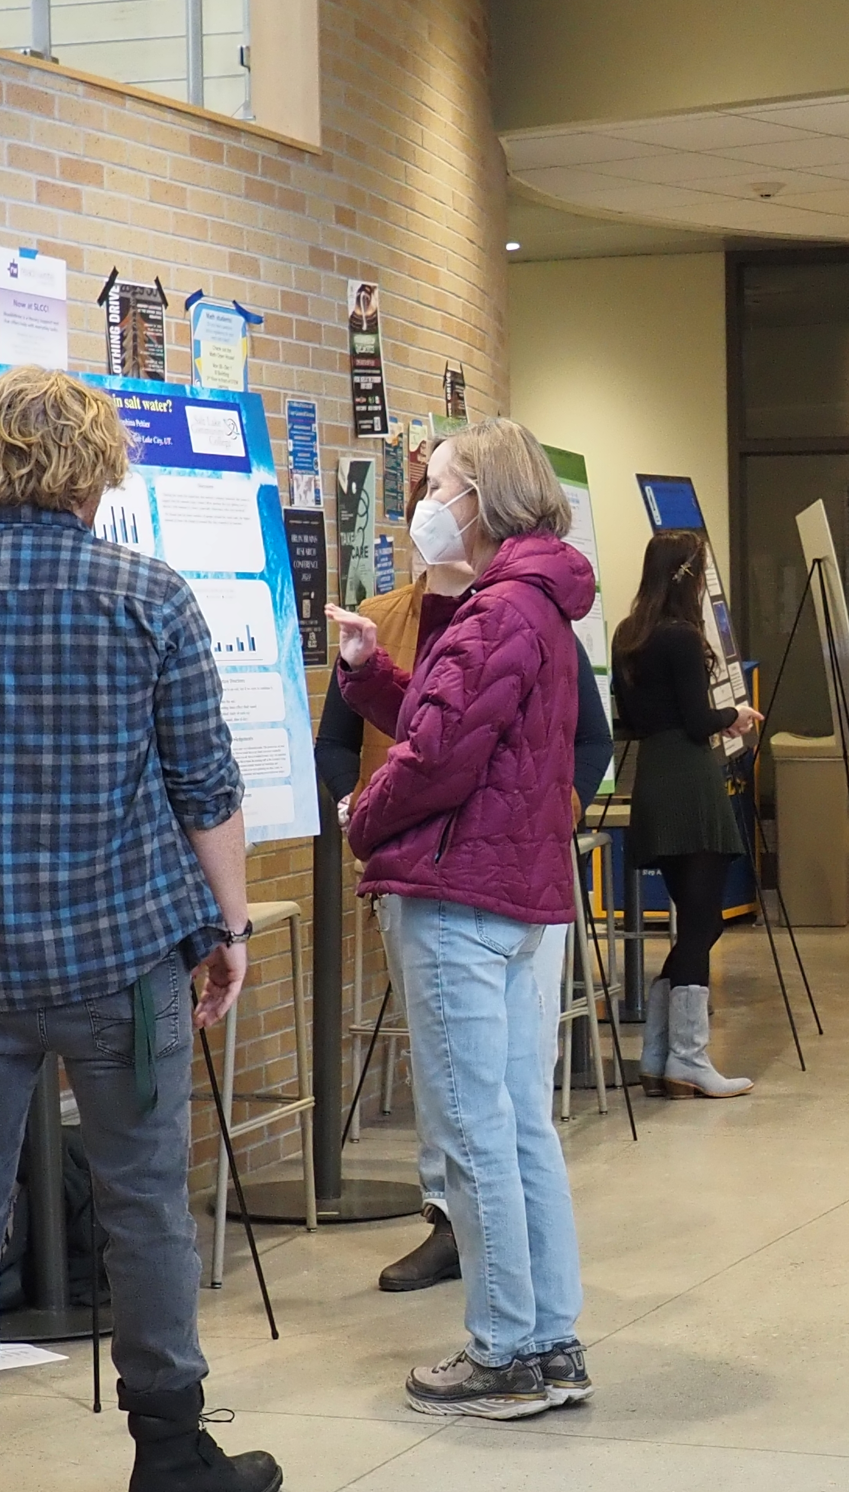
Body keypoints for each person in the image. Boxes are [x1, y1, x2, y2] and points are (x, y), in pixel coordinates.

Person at [0, 367, 279, 1492]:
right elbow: (204, 789)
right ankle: (171, 1456)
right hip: (123, 963)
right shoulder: (149, 597)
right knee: (143, 1202)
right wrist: (226, 927)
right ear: (97, 468)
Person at [326, 416, 595, 1421]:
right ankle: (546, 1339)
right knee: (518, 1126)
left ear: (480, 498)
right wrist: (370, 673)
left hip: (456, 899)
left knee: (475, 1132)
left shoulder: (493, 613)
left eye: (435, 483)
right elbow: (459, 725)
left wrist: (366, 819)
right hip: (506, 890)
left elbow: (437, 761)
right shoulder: (530, 606)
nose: (421, 507)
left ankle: (502, 1352)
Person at [611, 530, 764, 1099]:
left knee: (694, 917)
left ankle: (658, 1056)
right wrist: (737, 712)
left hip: (654, 775)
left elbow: (637, 715)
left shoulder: (629, 635)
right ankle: (688, 1060)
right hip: (691, 780)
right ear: (689, 576)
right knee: (703, 922)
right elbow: (700, 719)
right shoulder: (681, 637)